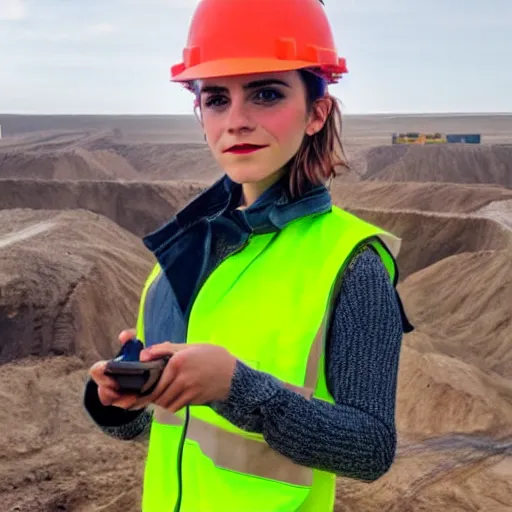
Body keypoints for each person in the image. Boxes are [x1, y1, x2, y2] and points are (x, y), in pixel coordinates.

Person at [84, 1, 414, 511]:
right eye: (216, 98)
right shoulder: (184, 253)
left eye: (265, 94)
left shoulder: (351, 262)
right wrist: (117, 400)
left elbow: (370, 450)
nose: (236, 121)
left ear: (316, 113)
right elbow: (152, 425)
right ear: (199, 113)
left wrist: (237, 388)